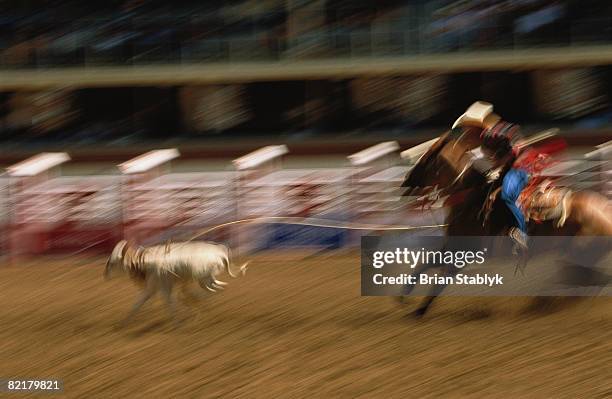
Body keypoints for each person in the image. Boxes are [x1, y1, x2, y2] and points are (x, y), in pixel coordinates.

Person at [479, 120, 530, 250]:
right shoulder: (499, 134)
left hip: (523, 169)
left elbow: (502, 160)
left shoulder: (502, 140)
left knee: (507, 195)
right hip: (517, 165)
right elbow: (499, 162)